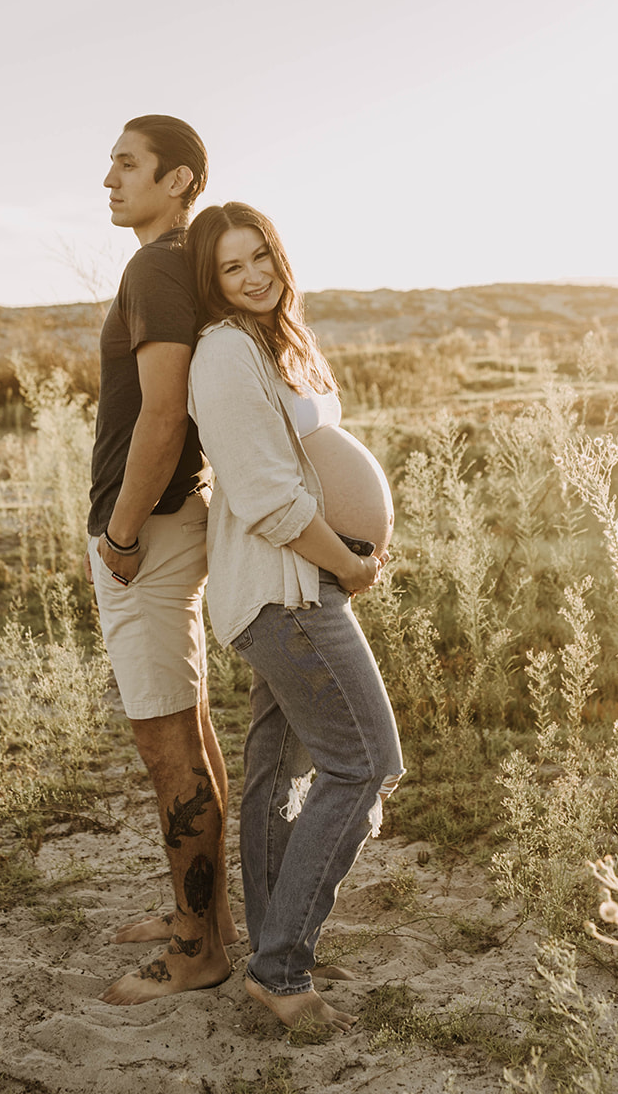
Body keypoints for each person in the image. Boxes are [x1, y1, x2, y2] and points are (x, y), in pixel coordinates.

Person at [185, 201, 404, 1034]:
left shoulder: (281, 341)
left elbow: (317, 461)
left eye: (259, 258)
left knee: (279, 774)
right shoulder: (224, 352)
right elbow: (269, 493)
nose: (249, 277)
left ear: (279, 259)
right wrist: (345, 559)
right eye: (229, 268)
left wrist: (359, 546)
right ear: (211, 282)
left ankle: (272, 948)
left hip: (312, 585)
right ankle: (282, 969)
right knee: (364, 765)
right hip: (288, 590)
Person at [84, 115, 236, 1004]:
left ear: (179, 181)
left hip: (149, 534)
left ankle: (197, 952)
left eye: (127, 164)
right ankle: (200, 919)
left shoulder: (156, 264)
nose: (108, 178)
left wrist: (124, 534)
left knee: (167, 744)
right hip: (169, 526)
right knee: (190, 728)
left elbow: (163, 415)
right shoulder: (173, 266)